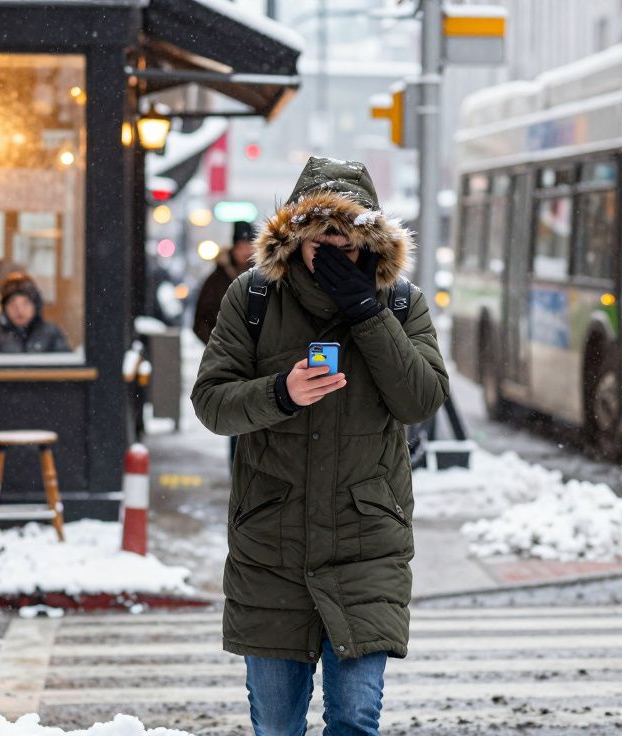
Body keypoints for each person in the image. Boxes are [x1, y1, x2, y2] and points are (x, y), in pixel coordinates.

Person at [191, 157, 449, 735]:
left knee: (355, 720)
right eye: (320, 233)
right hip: (271, 547)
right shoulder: (252, 298)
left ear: (368, 241)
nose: (333, 245)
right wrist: (280, 392)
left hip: (365, 546)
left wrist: (366, 312)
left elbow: (421, 399)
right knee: (278, 727)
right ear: (296, 235)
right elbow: (211, 401)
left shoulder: (400, 304)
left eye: (347, 235)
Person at [192, 219, 257, 345]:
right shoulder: (216, 279)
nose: (245, 251)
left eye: (248, 246)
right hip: (224, 353)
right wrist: (217, 346)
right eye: (240, 246)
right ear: (233, 248)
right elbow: (201, 320)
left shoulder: (264, 275)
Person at [0, 274, 71, 353]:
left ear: (35, 305)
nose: (19, 310)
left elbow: (66, 368)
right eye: (13, 304)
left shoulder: (51, 333)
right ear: (4, 308)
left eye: (26, 303)